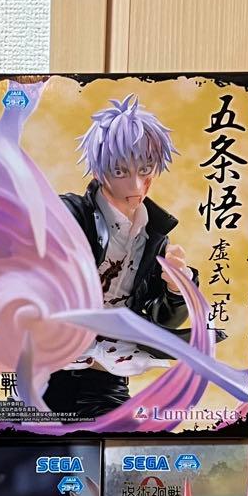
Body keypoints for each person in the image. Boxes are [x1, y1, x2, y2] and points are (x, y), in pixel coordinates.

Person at [42, 95, 194, 419]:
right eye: (120, 171)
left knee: (118, 434)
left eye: (145, 169)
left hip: (108, 373)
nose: (136, 184)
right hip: (49, 366)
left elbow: (161, 319)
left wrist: (176, 290)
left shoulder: (154, 237)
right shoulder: (71, 214)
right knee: (22, 439)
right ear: (100, 172)